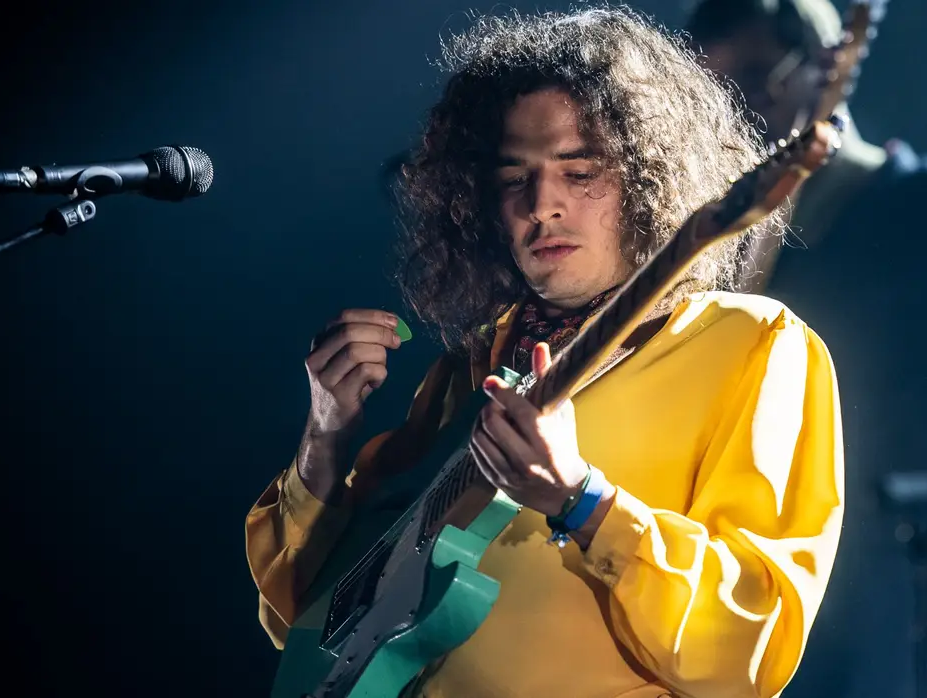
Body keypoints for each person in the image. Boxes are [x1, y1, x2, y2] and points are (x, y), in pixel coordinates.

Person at [246, 8, 849, 697]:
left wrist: (583, 501)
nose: (543, 205)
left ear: (653, 174)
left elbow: (748, 651)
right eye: (513, 178)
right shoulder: (471, 366)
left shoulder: (753, 344)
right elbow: (310, 626)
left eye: (580, 169)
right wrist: (325, 436)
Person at [684, 1, 927, 697]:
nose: (735, 113)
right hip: (724, 592)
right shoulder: (711, 238)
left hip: (876, 598)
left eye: (754, 79)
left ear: (822, 68)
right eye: (713, 93)